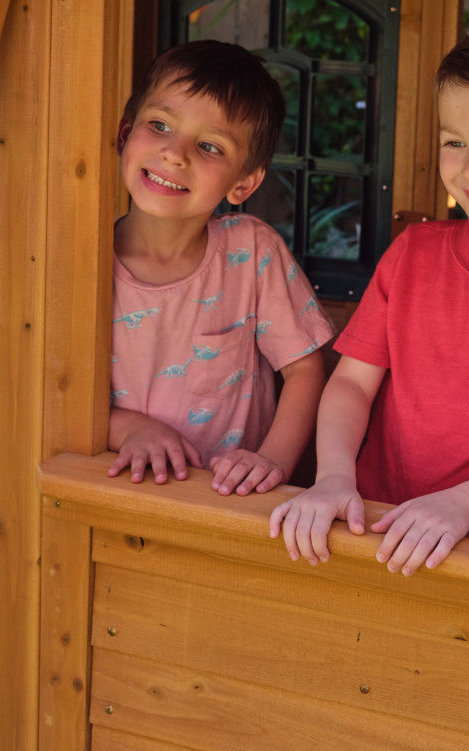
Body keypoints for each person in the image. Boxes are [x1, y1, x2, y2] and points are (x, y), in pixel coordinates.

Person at [269, 19, 469, 575]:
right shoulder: (414, 253)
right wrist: (332, 477)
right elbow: (352, 382)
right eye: (455, 142)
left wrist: (461, 505)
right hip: (367, 524)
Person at [108, 40, 334, 496]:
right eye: (159, 125)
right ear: (125, 132)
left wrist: (272, 461)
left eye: (209, 145)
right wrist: (125, 428)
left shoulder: (252, 252)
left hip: (229, 505)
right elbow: (52, 386)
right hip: (112, 494)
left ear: (244, 183)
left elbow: (305, 370)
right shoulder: (80, 260)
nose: (176, 153)